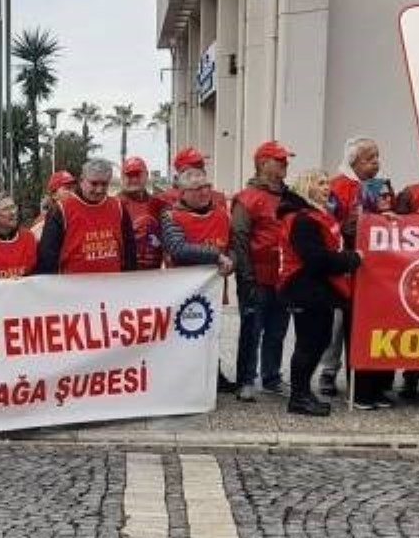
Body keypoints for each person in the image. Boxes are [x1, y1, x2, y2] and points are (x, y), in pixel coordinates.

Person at [275, 168, 361, 417]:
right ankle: (299, 397)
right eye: (321, 183)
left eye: (327, 183)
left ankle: (303, 394)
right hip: (303, 289)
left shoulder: (318, 215)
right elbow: (315, 259)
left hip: (316, 290)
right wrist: (351, 259)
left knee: (319, 341)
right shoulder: (302, 219)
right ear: (307, 187)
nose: (327, 187)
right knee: (308, 344)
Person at [319, 136, 385, 400]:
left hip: (371, 268)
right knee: (335, 324)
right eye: (370, 159)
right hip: (342, 264)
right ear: (353, 160)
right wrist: (346, 227)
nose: (376, 163)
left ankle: (365, 377)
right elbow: (327, 223)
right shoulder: (336, 187)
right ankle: (328, 372)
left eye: (378, 157)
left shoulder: (378, 187)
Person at [162, 166, 237, 391]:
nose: (205, 192)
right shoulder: (171, 216)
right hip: (183, 291)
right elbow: (177, 248)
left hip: (213, 289)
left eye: (207, 187)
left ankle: (214, 376)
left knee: (212, 334)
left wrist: (232, 262)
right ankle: (184, 381)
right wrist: (216, 256)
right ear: (182, 193)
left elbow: (233, 247)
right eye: (197, 189)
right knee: (185, 337)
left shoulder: (223, 215)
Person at [231, 140, 294, 401]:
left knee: (277, 331)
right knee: (252, 330)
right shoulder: (247, 198)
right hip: (257, 276)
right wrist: (246, 278)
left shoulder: (290, 197)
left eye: (285, 160)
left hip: (284, 276)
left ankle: (271, 377)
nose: (285, 164)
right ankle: (246, 380)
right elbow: (239, 238)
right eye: (279, 160)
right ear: (262, 164)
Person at [35, 158, 135, 275]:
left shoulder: (119, 207)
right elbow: (48, 257)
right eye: (94, 183)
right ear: (82, 181)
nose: (99, 190)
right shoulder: (61, 210)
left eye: (104, 184)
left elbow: (130, 252)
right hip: (74, 288)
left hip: (112, 285)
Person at [118, 157, 167, 271]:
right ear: (122, 178)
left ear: (146, 175)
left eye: (138, 175)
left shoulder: (160, 204)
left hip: (154, 273)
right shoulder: (115, 205)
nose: (134, 180)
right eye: (129, 176)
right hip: (125, 274)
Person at [160, 147, 227, 211]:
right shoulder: (166, 199)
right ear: (182, 173)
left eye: (201, 166)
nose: (201, 170)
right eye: (195, 166)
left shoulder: (218, 198)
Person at [30, 171, 76, 239]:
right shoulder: (42, 223)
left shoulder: (76, 216)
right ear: (54, 195)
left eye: (73, 189)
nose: (73, 193)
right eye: (68, 188)